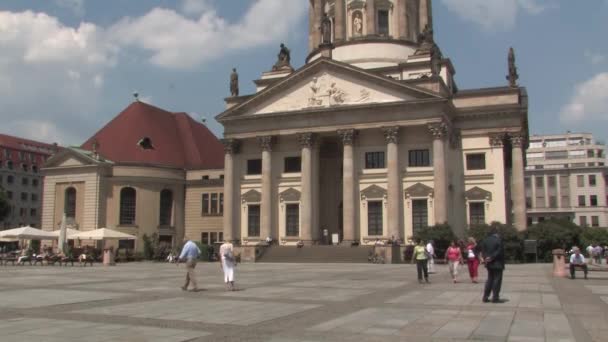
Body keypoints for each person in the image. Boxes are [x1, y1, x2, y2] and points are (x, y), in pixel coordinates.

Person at [480, 230, 506, 303]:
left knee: (490, 279)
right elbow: (499, 251)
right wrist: (491, 257)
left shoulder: (485, 240)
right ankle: (495, 297)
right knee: (497, 280)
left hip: (489, 263)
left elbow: (483, 251)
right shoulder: (499, 240)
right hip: (497, 263)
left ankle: (485, 296)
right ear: (497, 234)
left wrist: (486, 258)